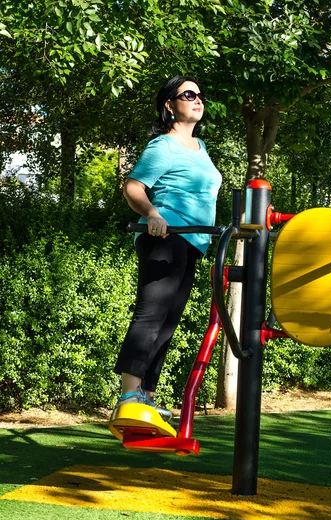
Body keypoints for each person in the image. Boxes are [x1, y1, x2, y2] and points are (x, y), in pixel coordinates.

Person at [112, 75, 222, 422]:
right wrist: (152, 213)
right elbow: (133, 187)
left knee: (169, 322)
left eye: (199, 94)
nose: (197, 99)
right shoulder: (163, 146)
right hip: (164, 238)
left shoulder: (200, 148)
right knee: (150, 315)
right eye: (188, 94)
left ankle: (146, 396)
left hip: (192, 242)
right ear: (169, 105)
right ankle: (128, 395)